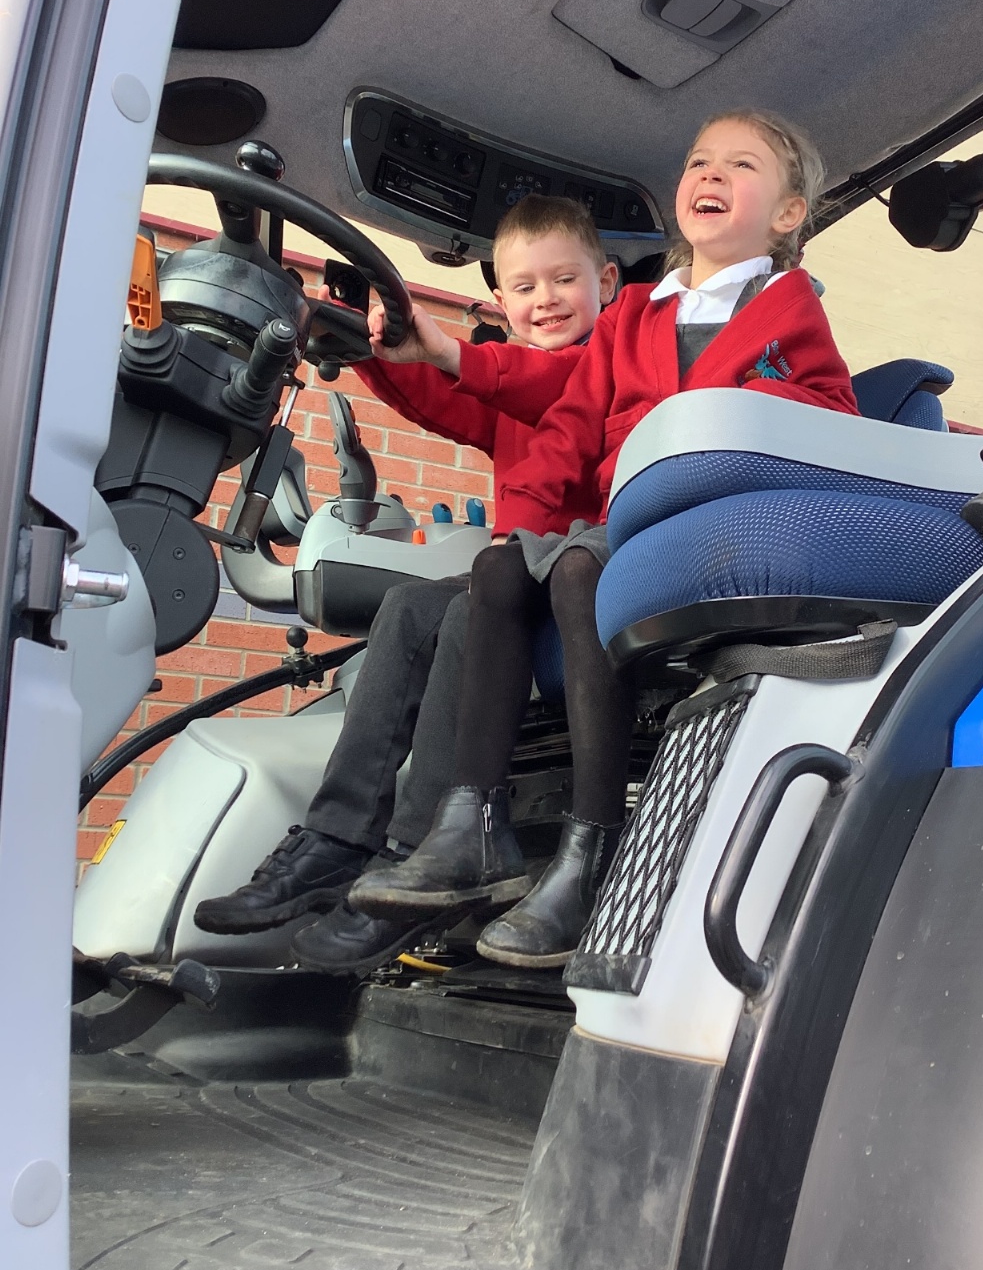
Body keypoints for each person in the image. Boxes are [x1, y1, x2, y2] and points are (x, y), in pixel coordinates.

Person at [349, 109, 859, 967]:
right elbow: (573, 424)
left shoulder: (791, 313)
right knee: (503, 573)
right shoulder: (631, 317)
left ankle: (591, 846)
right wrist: (516, 529)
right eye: (699, 161)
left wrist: (728, 411)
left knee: (582, 569)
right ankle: (474, 825)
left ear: (787, 213)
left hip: (712, 522)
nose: (710, 174)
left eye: (740, 165)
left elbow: (832, 413)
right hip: (628, 520)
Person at [191, 195, 618, 971]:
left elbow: (538, 382)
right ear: (501, 301)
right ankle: (337, 837)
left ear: (608, 284)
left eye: (565, 280)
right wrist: (372, 347)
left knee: (461, 613)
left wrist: (449, 349)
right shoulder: (512, 381)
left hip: (583, 579)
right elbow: (447, 397)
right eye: (526, 287)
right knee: (408, 608)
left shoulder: (612, 363)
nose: (546, 300)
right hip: (515, 574)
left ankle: (422, 857)